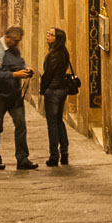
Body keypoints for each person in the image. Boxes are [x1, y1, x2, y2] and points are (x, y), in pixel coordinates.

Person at [0, 25, 38, 171]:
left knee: (21, 125)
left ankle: (22, 159)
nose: (17, 43)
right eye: (15, 41)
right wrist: (15, 74)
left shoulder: (14, 49)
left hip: (14, 95)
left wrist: (26, 69)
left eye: (18, 41)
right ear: (8, 37)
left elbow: (20, 64)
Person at [40, 27, 70, 166]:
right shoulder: (64, 52)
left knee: (52, 124)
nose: (48, 35)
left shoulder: (54, 55)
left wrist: (42, 89)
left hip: (53, 90)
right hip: (62, 89)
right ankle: (64, 153)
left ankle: (54, 156)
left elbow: (48, 74)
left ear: (57, 39)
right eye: (48, 33)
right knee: (59, 121)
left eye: (51, 34)